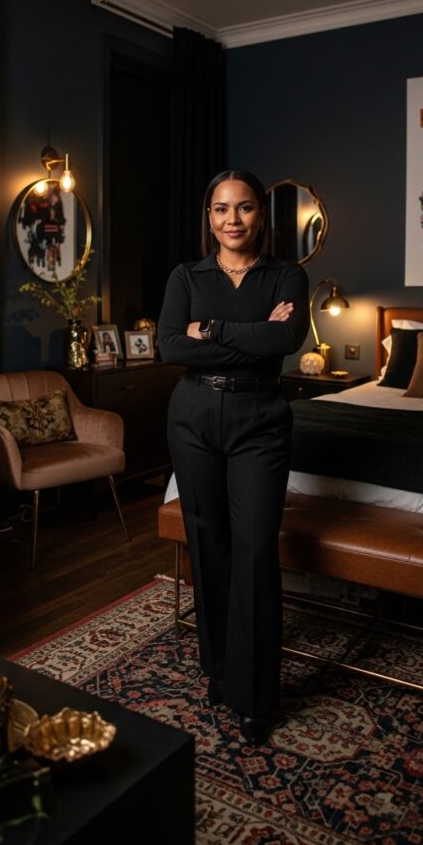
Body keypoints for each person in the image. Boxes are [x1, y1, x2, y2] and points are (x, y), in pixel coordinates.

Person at [158, 169, 309, 745]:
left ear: (260, 216)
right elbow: (171, 344)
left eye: (244, 208)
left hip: (260, 420)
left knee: (253, 550)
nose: (232, 220)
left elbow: (284, 341)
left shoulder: (286, 274)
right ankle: (219, 670)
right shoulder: (185, 275)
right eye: (221, 209)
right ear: (209, 217)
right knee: (207, 542)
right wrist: (246, 331)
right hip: (192, 416)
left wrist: (213, 328)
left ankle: (255, 695)